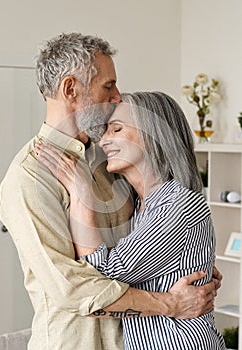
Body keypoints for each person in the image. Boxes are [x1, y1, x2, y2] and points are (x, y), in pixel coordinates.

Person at [0, 33, 221, 350]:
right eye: (108, 86)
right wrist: (171, 304)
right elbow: (71, 289)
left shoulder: (112, 160)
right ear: (71, 89)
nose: (117, 96)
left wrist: (192, 264)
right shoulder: (29, 179)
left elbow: (160, 230)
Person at [36, 91, 226, 349]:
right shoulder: (139, 206)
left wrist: (82, 196)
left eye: (116, 129)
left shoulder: (179, 204)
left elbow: (103, 277)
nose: (103, 141)